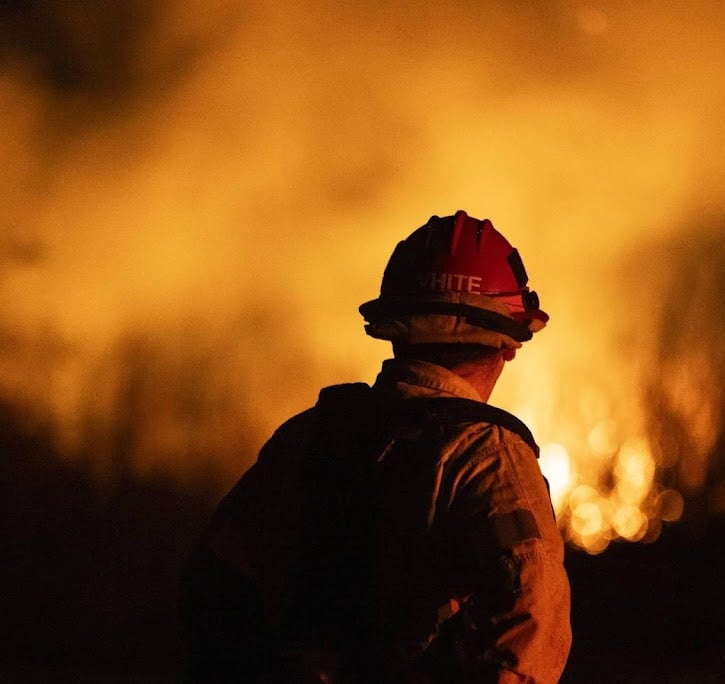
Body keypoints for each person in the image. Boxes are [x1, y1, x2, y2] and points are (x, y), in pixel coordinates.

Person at [180, 210, 572, 683]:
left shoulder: (304, 438)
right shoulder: (488, 457)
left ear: (395, 326)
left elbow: (211, 588)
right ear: (506, 343)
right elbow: (531, 619)